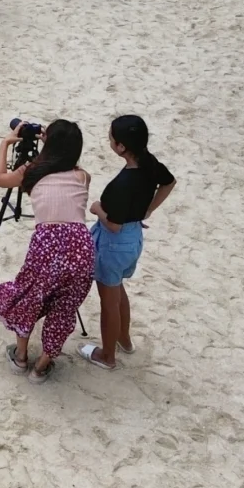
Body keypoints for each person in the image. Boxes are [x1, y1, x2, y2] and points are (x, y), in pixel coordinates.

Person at [0, 120, 95, 383]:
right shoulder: (83, 176)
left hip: (47, 243)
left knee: (29, 295)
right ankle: (42, 367)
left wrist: (6, 143)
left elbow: (0, 180)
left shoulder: (31, 171)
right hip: (81, 245)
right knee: (65, 306)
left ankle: (21, 357)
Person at [80, 115, 176, 370]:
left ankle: (107, 356)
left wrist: (96, 208)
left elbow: (113, 224)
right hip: (133, 238)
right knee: (118, 289)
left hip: (114, 242)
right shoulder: (149, 163)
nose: (109, 140)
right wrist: (148, 210)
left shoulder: (123, 184)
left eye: (111, 137)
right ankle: (124, 339)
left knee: (108, 301)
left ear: (121, 146)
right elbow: (169, 182)